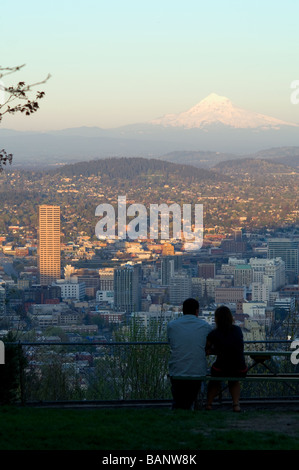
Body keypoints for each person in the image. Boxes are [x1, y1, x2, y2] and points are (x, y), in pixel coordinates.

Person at [167, 298, 212, 410]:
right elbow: (208, 346)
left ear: (183, 310)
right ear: (197, 311)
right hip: (197, 371)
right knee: (192, 397)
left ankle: (180, 412)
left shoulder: (172, 326)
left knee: (179, 400)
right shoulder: (205, 326)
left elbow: (171, 343)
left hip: (177, 371)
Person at [205, 305, 248, 412]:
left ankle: (209, 404)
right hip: (240, 368)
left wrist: (214, 351)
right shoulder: (237, 330)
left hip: (221, 368)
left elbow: (207, 348)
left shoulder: (214, 333)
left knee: (214, 379)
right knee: (234, 380)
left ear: (217, 319)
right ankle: (236, 405)